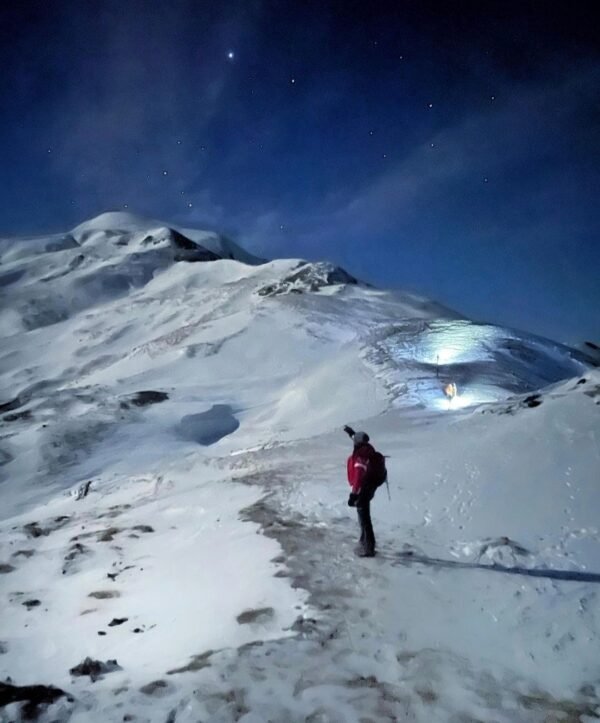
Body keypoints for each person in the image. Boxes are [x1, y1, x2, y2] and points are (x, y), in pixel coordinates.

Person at [343, 425, 379, 557]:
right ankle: (364, 541)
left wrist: (353, 494)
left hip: (363, 489)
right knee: (362, 516)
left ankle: (369, 547)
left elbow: (358, 475)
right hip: (368, 488)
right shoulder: (366, 448)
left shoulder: (360, 456)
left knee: (364, 518)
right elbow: (356, 438)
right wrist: (351, 433)